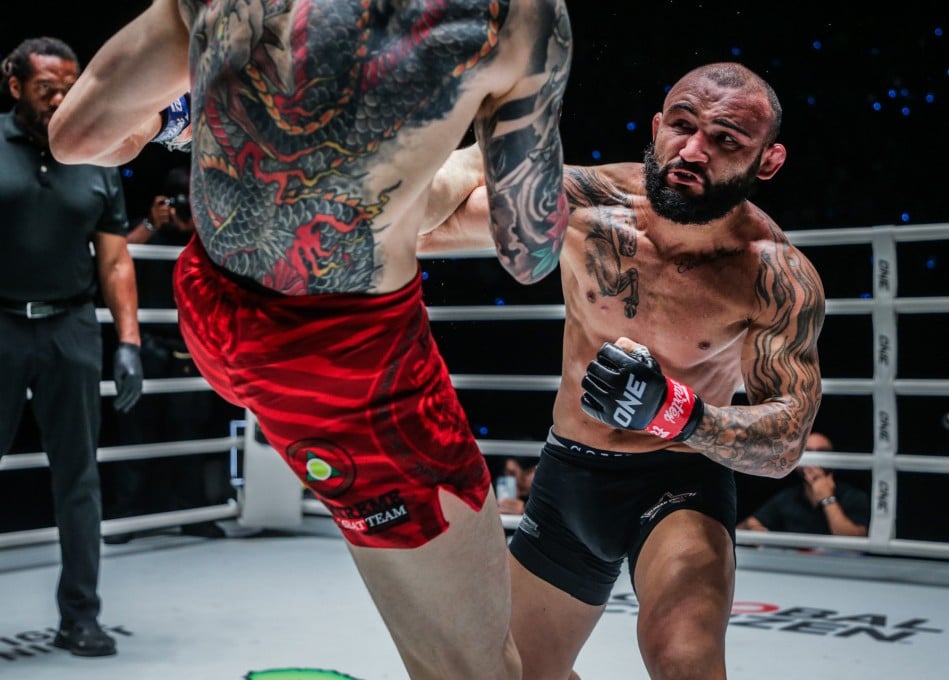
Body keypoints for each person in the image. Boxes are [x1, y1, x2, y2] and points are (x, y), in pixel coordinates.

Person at [50, 1, 571, 677]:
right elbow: (529, 254)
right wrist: (472, 156)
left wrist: (189, 113)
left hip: (211, 309)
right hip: (343, 372)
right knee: (477, 665)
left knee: (392, 202)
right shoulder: (516, 17)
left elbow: (78, 138)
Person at [420, 62, 825, 680]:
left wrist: (678, 415)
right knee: (513, 673)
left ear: (766, 162)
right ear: (658, 126)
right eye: (682, 126)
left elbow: (786, 441)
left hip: (680, 483)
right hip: (569, 476)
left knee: (685, 663)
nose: (692, 150)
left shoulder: (774, 275)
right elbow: (419, 229)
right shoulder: (584, 205)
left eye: (725, 141)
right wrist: (481, 161)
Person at [0, 36, 143, 657]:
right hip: (0, 325)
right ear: (14, 86)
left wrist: (129, 342)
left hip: (71, 328)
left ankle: (81, 617)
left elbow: (114, 260)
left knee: (79, 481)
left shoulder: (99, 154)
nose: (61, 100)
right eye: (46, 89)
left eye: (68, 87)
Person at [105, 165, 237, 544]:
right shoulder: (148, 227)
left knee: (190, 432)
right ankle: (125, 515)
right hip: (146, 342)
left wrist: (201, 225)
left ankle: (193, 513)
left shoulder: (209, 233)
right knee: (135, 432)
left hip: (193, 345)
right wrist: (151, 221)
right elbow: (116, 257)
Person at [737, 432, 870, 536]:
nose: (814, 459)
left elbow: (854, 541)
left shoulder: (853, 496)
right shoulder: (787, 498)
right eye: (808, 451)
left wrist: (827, 499)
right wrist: (753, 528)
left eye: (821, 452)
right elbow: (743, 528)